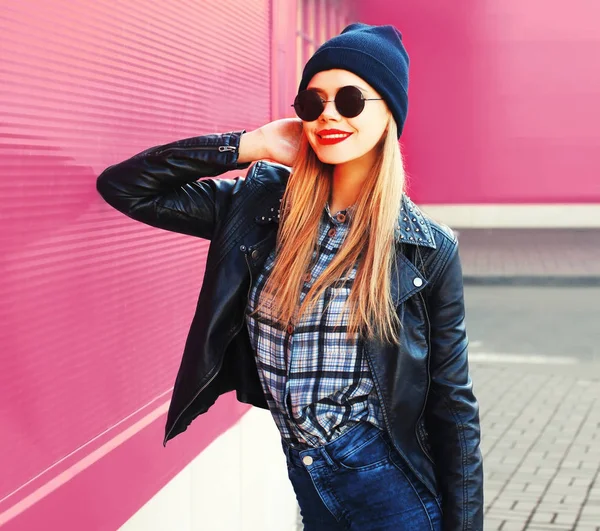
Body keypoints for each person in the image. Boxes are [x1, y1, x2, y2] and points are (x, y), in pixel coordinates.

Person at [97, 22, 483, 531]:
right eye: (313, 101)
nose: (328, 115)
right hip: (307, 479)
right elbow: (126, 188)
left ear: (389, 113)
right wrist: (246, 145)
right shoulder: (258, 208)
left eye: (349, 99)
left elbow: (452, 403)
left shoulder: (427, 248)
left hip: (391, 491)